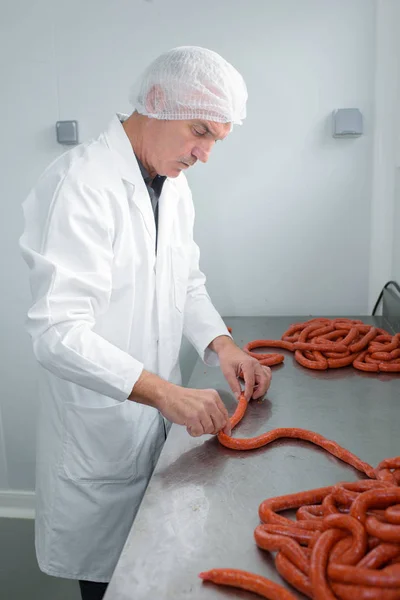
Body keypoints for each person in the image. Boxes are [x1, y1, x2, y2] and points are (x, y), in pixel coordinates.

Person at [19, 46, 272, 600]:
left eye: (216, 141)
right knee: (109, 584)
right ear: (156, 102)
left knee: (155, 576)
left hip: (154, 430)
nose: (204, 154)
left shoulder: (171, 183)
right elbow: (57, 332)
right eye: (199, 131)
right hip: (99, 437)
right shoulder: (80, 185)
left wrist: (222, 344)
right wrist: (163, 393)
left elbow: (184, 280)